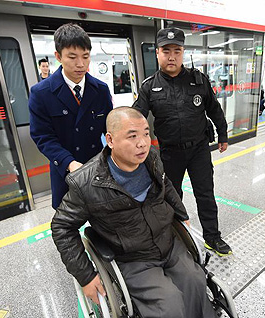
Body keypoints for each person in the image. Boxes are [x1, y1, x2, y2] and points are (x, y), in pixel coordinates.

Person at [51, 107, 216, 318]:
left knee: (196, 281)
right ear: (110, 140)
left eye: (146, 133)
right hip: (133, 258)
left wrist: (182, 217)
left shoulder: (152, 159)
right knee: (169, 304)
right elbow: (61, 227)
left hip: (168, 243)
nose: (143, 143)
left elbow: (167, 186)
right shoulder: (86, 183)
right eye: (132, 136)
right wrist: (86, 276)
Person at [132, 27, 232, 256]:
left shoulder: (198, 81)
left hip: (198, 150)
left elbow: (215, 111)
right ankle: (174, 238)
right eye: (166, 50)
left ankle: (212, 238)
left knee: (205, 194)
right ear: (157, 53)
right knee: (171, 198)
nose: (171, 56)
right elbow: (136, 118)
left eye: (177, 50)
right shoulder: (149, 86)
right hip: (169, 154)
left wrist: (223, 135)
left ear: (183, 52)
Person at [29, 23, 113, 209]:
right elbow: (43, 137)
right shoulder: (41, 93)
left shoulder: (100, 90)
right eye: (72, 57)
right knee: (67, 225)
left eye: (85, 56)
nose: (81, 64)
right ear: (58, 56)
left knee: (103, 219)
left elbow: (110, 128)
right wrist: (70, 163)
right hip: (64, 171)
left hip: (97, 167)